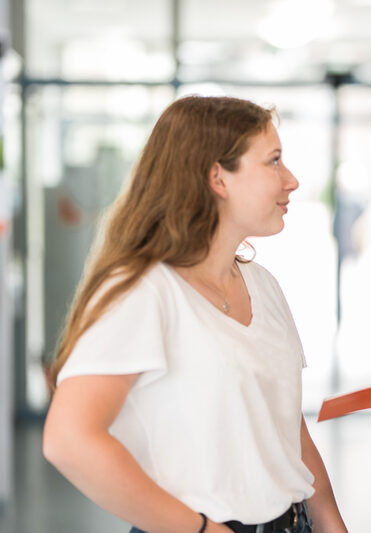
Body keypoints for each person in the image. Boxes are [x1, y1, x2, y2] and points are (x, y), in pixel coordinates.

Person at [43, 96, 349, 533]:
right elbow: (69, 441)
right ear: (217, 177)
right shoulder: (141, 291)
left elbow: (285, 426)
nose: (293, 180)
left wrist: (331, 523)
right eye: (274, 162)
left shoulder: (262, 284)